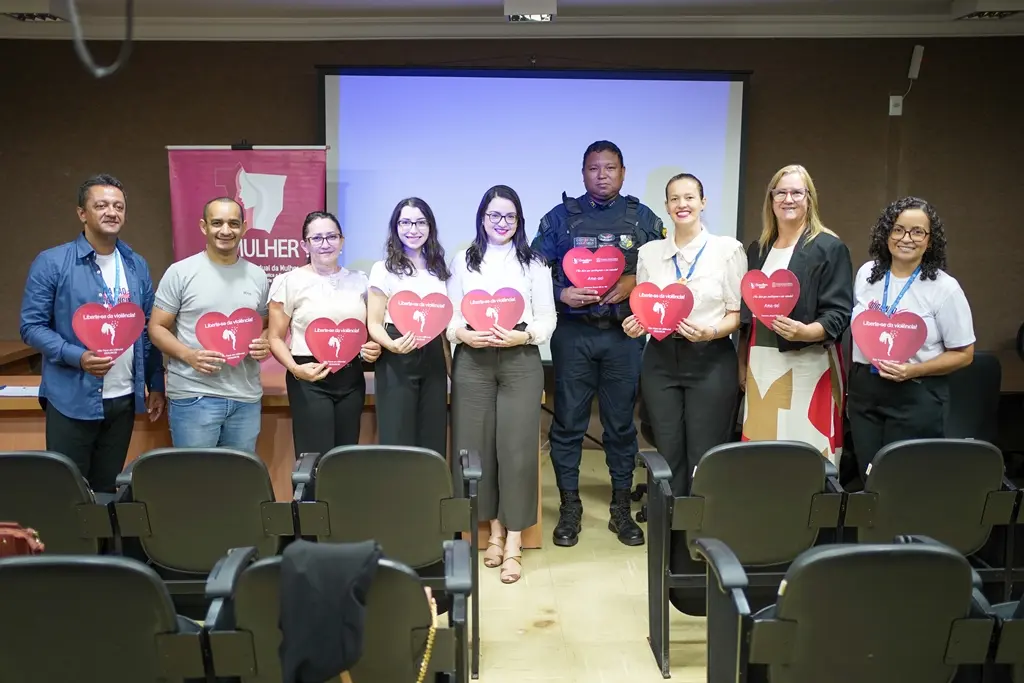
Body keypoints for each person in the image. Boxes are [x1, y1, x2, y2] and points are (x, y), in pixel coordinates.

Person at [531, 140, 664, 548]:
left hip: (623, 337)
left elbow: (667, 270)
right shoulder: (558, 219)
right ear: (583, 173)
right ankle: (570, 508)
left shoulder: (643, 218)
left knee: (620, 425)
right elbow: (532, 272)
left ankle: (620, 509)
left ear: (623, 172)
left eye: (610, 168)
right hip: (574, 335)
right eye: (594, 168)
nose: (602, 175)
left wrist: (635, 282)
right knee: (568, 422)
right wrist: (559, 294)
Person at [19, 174, 165, 492]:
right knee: (66, 492)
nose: (111, 212)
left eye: (118, 206)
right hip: (71, 397)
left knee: (105, 491)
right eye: (101, 205)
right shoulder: (52, 262)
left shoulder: (135, 265)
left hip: (123, 399)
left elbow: (145, 327)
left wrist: (155, 383)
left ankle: (103, 546)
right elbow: (31, 327)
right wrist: (78, 357)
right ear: (82, 213)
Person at [448, 185, 555, 584]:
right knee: (476, 448)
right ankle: (490, 531)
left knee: (516, 449)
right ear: (481, 218)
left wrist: (524, 337)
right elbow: (449, 316)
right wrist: (462, 334)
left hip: (520, 361)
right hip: (473, 362)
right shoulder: (463, 261)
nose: (501, 223)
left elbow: (547, 318)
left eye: (509, 216)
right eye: (494, 215)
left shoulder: (534, 262)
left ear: (519, 221)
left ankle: (512, 541)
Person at [623, 173, 746, 496]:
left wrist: (710, 331)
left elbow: (737, 314)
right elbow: (646, 310)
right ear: (666, 206)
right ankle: (671, 534)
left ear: (703, 203)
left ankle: (701, 533)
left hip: (710, 358)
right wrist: (636, 324)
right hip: (660, 360)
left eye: (689, 197)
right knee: (667, 450)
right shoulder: (649, 253)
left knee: (704, 454)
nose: (682, 205)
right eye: (675, 199)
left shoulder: (727, 250)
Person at [847, 197, 974, 473]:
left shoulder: (944, 288)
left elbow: (964, 355)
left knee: (903, 481)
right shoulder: (867, 275)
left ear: (930, 241)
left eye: (918, 231)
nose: (907, 238)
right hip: (865, 393)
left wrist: (913, 370)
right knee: (867, 475)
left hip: (915, 395)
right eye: (898, 229)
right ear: (886, 233)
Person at [738, 164, 853, 464]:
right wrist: (741, 363)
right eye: (781, 192)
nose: (788, 199)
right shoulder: (758, 249)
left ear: (809, 199)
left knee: (807, 452)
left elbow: (839, 313)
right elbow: (748, 318)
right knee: (764, 451)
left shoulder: (829, 247)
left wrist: (806, 332)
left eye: (797, 192)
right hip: (761, 365)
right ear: (771, 199)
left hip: (808, 365)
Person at [149, 197, 271, 452]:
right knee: (196, 482)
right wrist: (189, 355)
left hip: (245, 399)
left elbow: (263, 326)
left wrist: (265, 343)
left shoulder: (258, 275)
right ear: (204, 226)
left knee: (239, 481)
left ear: (244, 227)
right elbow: (156, 328)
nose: (225, 230)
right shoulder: (181, 272)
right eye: (217, 223)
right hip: (195, 396)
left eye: (233, 224)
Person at [268, 211, 382, 457]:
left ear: (342, 241)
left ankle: (340, 497)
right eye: (317, 238)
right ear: (305, 244)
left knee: (344, 455)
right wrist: (296, 369)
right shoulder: (288, 281)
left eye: (332, 236)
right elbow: (275, 337)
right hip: (308, 377)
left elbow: (370, 330)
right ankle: (310, 498)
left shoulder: (361, 281)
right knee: (313, 456)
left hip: (351, 377)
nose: (325, 244)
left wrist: (373, 348)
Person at [367, 197, 452, 457]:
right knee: (397, 435)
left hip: (434, 355)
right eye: (405, 222)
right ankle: (397, 496)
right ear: (396, 227)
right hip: (396, 352)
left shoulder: (440, 269)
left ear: (430, 227)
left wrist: (451, 370)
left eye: (420, 222)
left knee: (433, 435)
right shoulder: (383, 269)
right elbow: (374, 322)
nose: (412, 230)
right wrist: (391, 345)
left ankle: (430, 496)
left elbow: (444, 327)